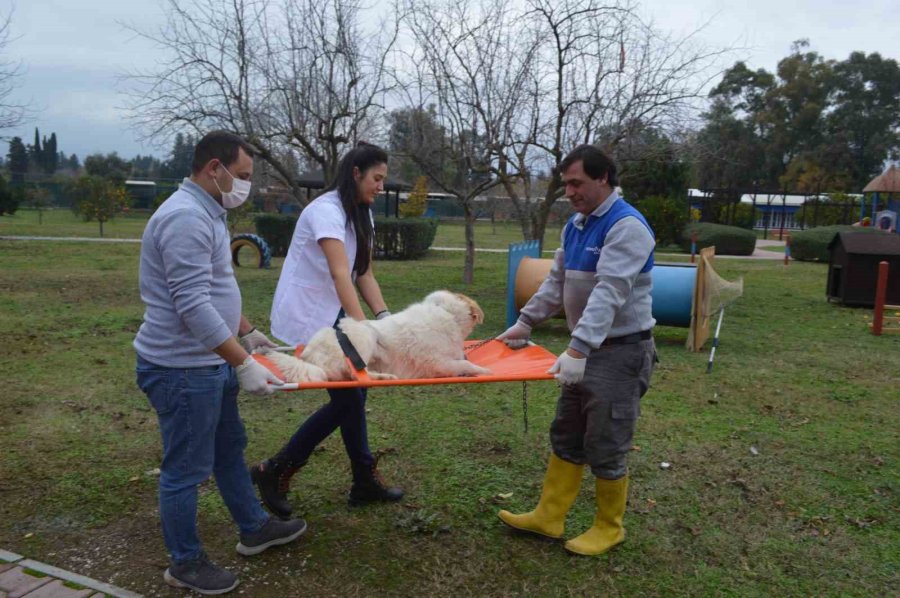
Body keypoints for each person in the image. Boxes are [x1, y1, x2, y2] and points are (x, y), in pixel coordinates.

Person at [134, 131, 306, 595]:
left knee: (229, 447)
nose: (246, 185)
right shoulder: (185, 218)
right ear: (215, 168)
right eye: (243, 176)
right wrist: (243, 362)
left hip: (209, 363)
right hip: (181, 370)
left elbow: (214, 289)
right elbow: (192, 306)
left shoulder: (208, 213)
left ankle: (253, 527)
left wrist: (247, 332)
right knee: (185, 469)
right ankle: (185, 564)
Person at [496, 144, 658, 556]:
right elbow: (556, 283)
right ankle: (550, 517)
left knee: (606, 440)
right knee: (567, 432)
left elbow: (611, 292)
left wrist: (580, 348)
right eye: (565, 183)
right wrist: (527, 320)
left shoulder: (627, 226)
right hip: (583, 350)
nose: (568, 191)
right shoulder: (576, 225)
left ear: (603, 177)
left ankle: (609, 527)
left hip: (620, 353)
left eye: (576, 183)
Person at [251, 142, 403, 518]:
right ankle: (276, 469)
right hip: (309, 313)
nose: (381, 187)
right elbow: (339, 273)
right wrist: (359, 330)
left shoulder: (364, 213)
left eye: (384, 179)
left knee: (352, 396)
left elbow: (362, 272)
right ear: (356, 173)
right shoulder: (326, 211)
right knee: (351, 397)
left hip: (334, 310)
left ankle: (362, 480)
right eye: (377, 178)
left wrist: (384, 317)